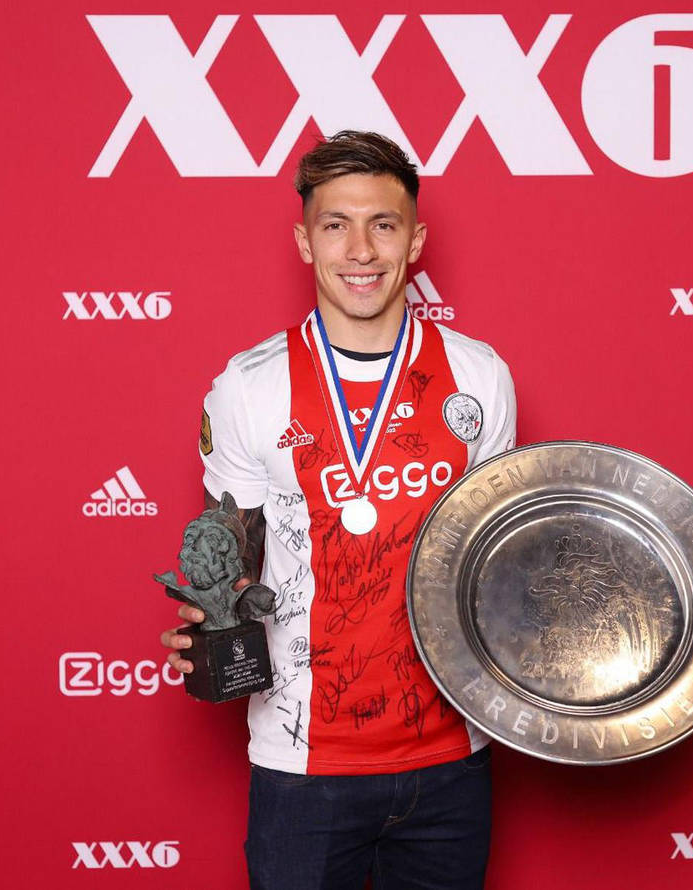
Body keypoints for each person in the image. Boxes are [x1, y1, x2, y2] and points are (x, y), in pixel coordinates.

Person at [161, 130, 516, 890]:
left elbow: (498, 555)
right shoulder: (248, 386)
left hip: (452, 757)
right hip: (304, 765)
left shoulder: (479, 376)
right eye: (336, 225)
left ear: (415, 241)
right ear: (303, 241)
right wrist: (210, 611)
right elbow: (229, 548)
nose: (361, 249)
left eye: (383, 224)